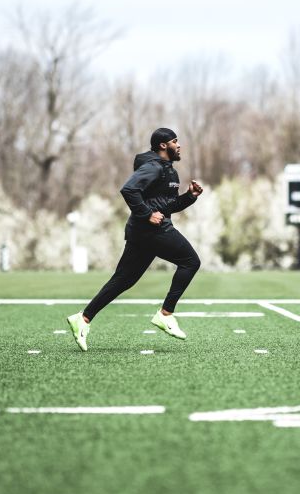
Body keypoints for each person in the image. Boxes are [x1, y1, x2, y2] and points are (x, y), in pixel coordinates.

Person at [66, 127, 204, 351]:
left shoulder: (170, 172)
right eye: (175, 141)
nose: (179, 145)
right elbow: (129, 190)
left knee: (123, 279)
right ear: (163, 145)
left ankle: (83, 318)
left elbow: (167, 207)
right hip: (152, 231)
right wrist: (147, 214)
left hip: (142, 233)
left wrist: (189, 197)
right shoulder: (152, 167)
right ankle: (166, 314)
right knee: (190, 261)